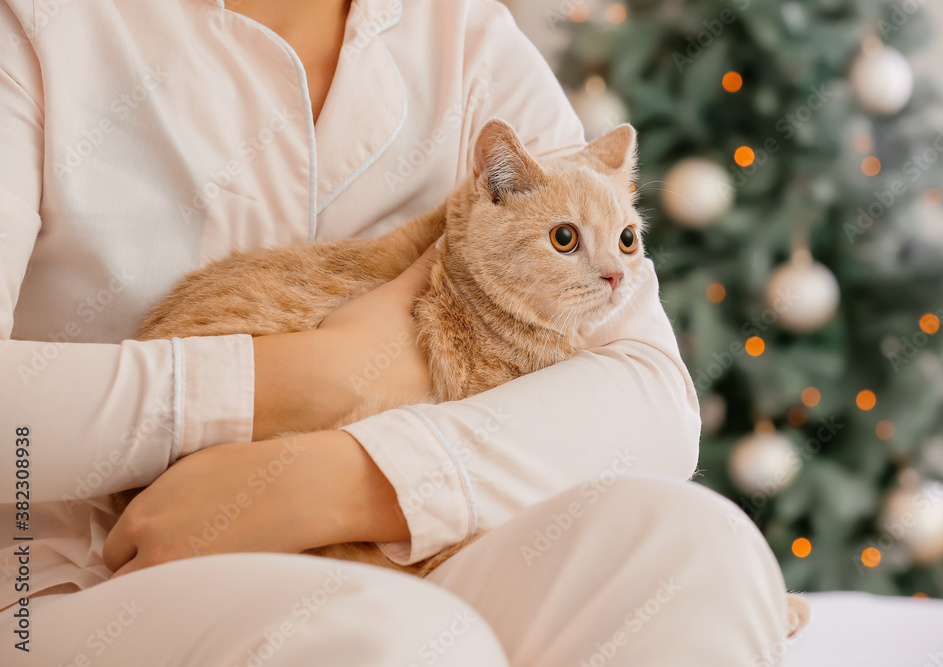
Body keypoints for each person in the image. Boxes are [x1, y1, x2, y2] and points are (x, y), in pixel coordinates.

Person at [0, 0, 791, 664]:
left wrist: (340, 483)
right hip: (72, 582)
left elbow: (651, 399)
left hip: (399, 548)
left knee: (697, 550)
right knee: (389, 637)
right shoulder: (38, 29)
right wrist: (312, 373)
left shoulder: (460, 31)